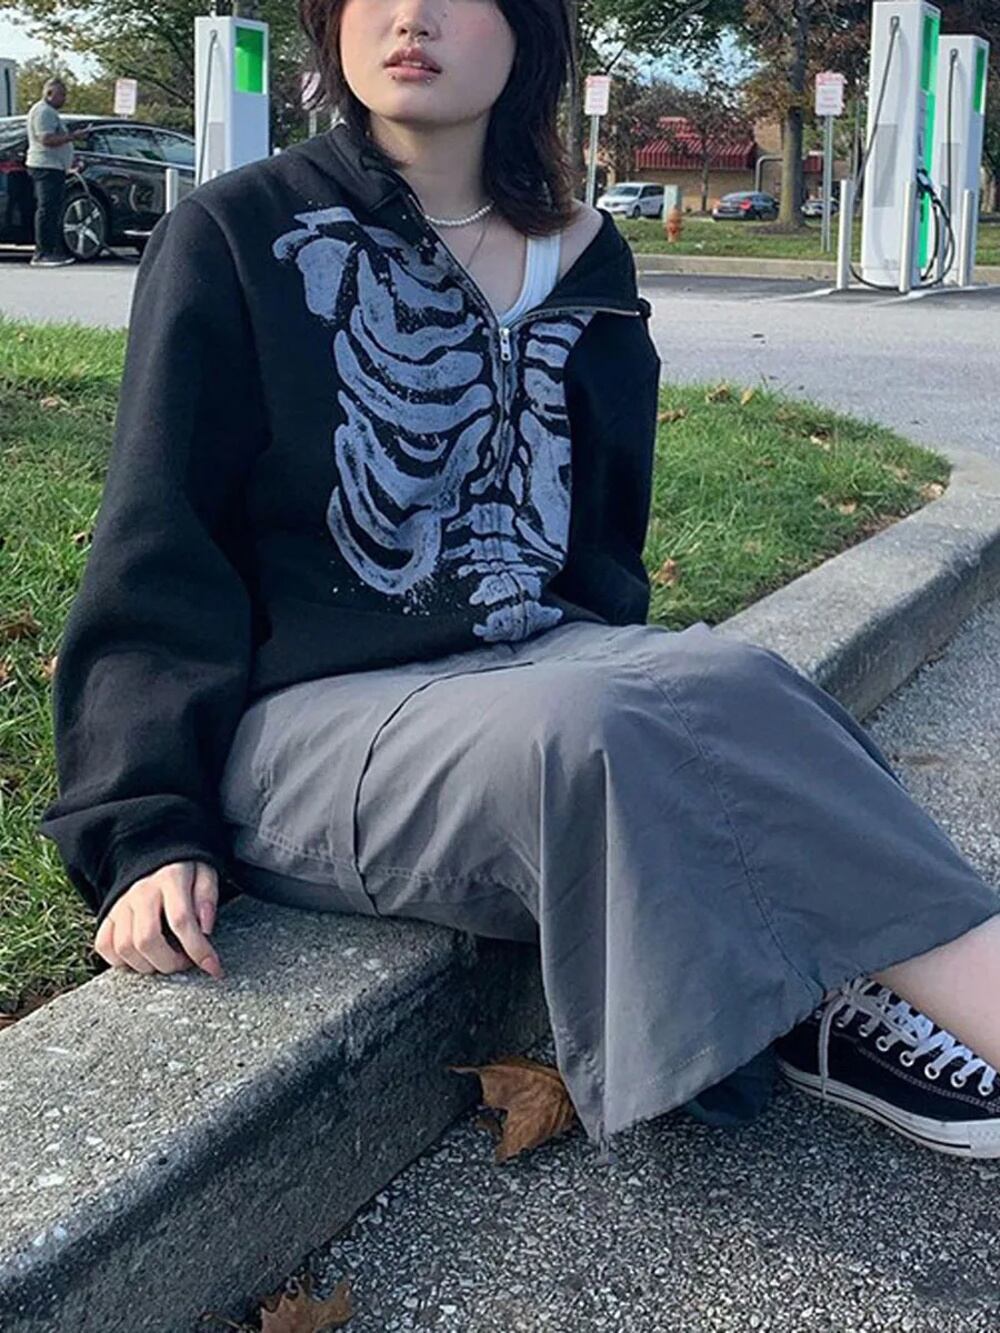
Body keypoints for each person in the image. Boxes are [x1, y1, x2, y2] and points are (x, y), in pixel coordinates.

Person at [38, 0, 1000, 1162]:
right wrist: (144, 828)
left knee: (733, 676)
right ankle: (853, 982)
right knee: (593, 725)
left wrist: (644, 687)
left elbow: (600, 545)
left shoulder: (584, 252)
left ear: (527, 32)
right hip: (309, 720)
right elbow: (159, 539)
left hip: (531, 664)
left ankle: (832, 998)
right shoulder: (241, 231)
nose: (410, 17)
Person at [25, 76, 85, 268]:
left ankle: (52, 250)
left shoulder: (49, 112)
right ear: (49, 93)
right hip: (45, 167)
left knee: (53, 209)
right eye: (61, 95)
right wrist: (73, 136)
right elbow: (46, 139)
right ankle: (42, 253)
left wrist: (69, 159)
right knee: (47, 209)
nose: (64, 99)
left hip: (55, 166)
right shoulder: (43, 112)